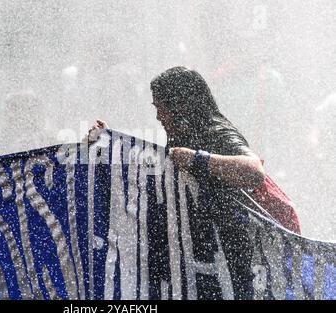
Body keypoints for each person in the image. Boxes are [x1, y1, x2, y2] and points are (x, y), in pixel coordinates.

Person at [87, 66, 267, 299]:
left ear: (181, 105)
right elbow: (149, 178)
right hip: (190, 263)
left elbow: (254, 172)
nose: (159, 116)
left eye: (162, 107)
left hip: (226, 261)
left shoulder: (216, 132)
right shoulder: (181, 136)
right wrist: (109, 146)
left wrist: (199, 160)